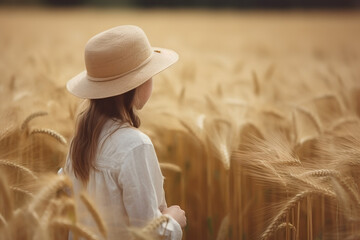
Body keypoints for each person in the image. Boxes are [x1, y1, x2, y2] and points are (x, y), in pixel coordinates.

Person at [63, 25, 186, 240]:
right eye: (150, 74)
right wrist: (173, 220)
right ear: (138, 83)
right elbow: (150, 233)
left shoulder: (79, 142)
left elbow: (66, 190)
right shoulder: (135, 146)